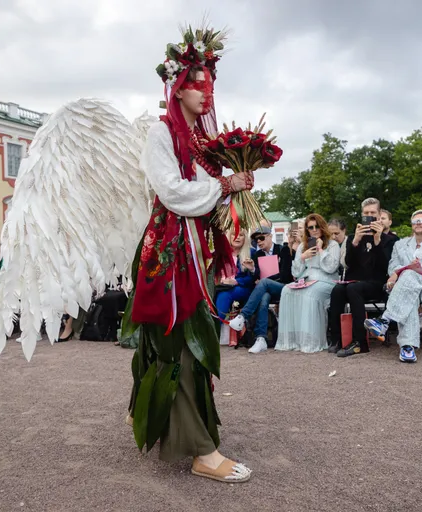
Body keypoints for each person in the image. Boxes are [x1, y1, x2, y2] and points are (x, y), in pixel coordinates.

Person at [120, 29, 253, 483]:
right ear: (178, 86)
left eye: (210, 81)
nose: (206, 90)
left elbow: (206, 197)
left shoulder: (201, 141)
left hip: (196, 246)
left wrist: (230, 211)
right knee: (180, 341)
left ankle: (179, 430)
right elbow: (174, 192)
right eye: (197, 81)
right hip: (172, 251)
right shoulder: (163, 134)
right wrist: (223, 186)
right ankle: (201, 451)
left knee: (189, 341)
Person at [364, 210, 422, 362]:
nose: (418, 223)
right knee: (410, 293)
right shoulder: (400, 244)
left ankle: (385, 320)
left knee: (409, 277)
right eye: (415, 221)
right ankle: (407, 347)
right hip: (402, 287)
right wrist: (405, 270)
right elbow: (391, 266)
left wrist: (403, 271)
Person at [329, 198, 398, 357]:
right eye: (366, 213)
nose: (369, 216)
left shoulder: (391, 239)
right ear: (361, 215)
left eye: (373, 213)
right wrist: (355, 242)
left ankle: (361, 342)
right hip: (355, 281)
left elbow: (386, 266)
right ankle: (337, 339)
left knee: (354, 289)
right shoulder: (354, 237)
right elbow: (347, 264)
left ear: (380, 215)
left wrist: (377, 240)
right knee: (337, 290)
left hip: (377, 283)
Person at [275, 213, 340, 353]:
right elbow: (296, 273)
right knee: (286, 290)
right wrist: (303, 257)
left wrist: (321, 250)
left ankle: (310, 341)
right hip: (307, 279)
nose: (314, 230)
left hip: (327, 281)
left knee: (310, 294)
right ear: (307, 229)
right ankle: (291, 340)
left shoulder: (333, 245)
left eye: (317, 226)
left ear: (323, 227)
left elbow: (332, 268)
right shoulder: (302, 246)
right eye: (311, 227)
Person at [227, 225, 294, 354]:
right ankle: (261, 338)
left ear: (270, 236)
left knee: (264, 283)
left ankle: (242, 316)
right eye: (256, 240)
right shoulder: (257, 254)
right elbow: (255, 278)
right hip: (267, 290)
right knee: (263, 298)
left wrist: (267, 279)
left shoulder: (283, 249)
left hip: (283, 287)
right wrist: (252, 269)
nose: (259, 241)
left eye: (262, 238)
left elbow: (286, 275)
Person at [216, 231, 256, 346]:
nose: (237, 237)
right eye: (234, 234)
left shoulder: (251, 252)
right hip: (222, 286)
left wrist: (236, 281)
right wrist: (222, 280)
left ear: (245, 238)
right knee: (220, 293)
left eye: (241, 235)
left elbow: (253, 278)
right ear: (229, 236)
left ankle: (215, 330)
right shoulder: (222, 253)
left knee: (225, 295)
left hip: (243, 288)